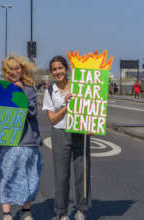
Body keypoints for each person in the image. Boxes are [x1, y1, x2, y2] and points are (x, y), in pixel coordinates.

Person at [0, 55, 43, 220]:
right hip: (5, 141)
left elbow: (32, 113)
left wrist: (20, 93)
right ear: (5, 71)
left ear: (21, 69)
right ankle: (7, 213)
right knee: (8, 175)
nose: (14, 72)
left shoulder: (29, 89)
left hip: (27, 140)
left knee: (30, 175)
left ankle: (26, 210)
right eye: (10, 69)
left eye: (17, 68)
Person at [42, 56, 91, 220]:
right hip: (60, 133)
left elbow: (90, 107)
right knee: (61, 175)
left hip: (79, 132)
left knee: (81, 172)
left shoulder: (80, 86)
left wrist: (91, 124)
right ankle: (62, 212)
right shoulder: (50, 91)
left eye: (60, 68)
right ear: (51, 72)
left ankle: (81, 209)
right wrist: (65, 105)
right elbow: (52, 119)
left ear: (66, 69)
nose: (58, 72)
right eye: (54, 69)